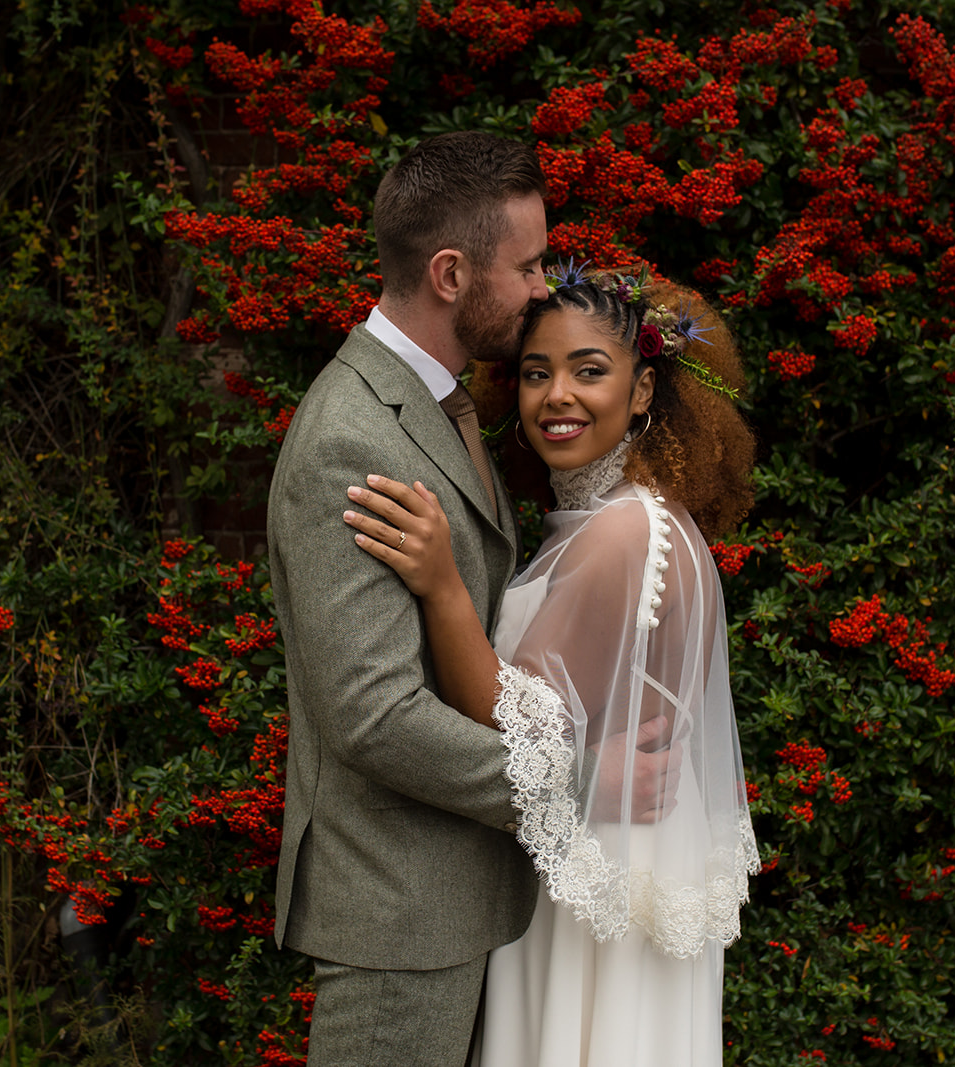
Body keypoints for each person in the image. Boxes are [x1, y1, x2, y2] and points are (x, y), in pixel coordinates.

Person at [266, 136, 681, 1067]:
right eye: (528, 265)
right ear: (452, 274)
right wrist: (578, 785)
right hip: (398, 919)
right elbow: (373, 715)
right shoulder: (352, 437)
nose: (543, 288)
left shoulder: (436, 405)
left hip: (458, 901)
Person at [343, 264, 761, 1066]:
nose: (557, 394)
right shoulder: (624, 518)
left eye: (589, 371)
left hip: (592, 894)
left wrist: (442, 588)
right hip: (604, 865)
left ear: (643, 392)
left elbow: (509, 730)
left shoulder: (622, 535)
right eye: (537, 372)